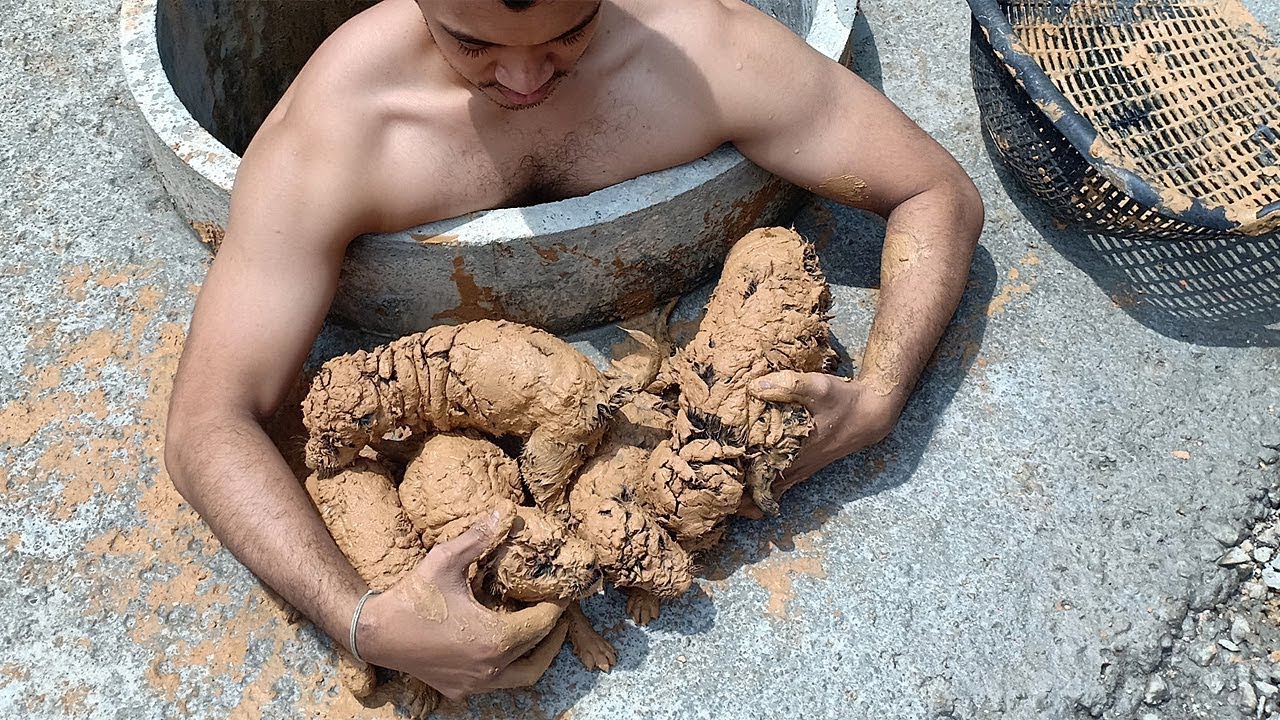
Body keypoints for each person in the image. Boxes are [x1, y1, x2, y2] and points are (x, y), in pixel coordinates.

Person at [164, 0, 983, 701]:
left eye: (569, 31)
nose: (523, 80)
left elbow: (934, 191)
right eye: (472, 42)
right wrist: (366, 620)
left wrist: (879, 397)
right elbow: (208, 422)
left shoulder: (703, 50)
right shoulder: (340, 131)